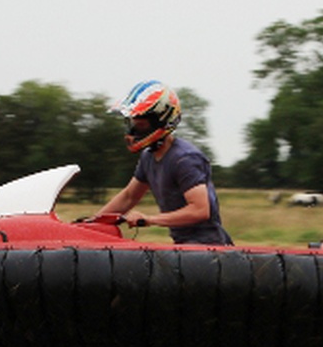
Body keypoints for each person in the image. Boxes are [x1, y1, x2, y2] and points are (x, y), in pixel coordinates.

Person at [95, 80, 233, 245]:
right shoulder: (148, 156)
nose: (133, 131)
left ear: (161, 122)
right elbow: (129, 196)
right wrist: (92, 223)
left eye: (141, 125)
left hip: (207, 247)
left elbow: (200, 210)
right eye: (133, 124)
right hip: (183, 245)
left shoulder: (185, 159)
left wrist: (149, 219)